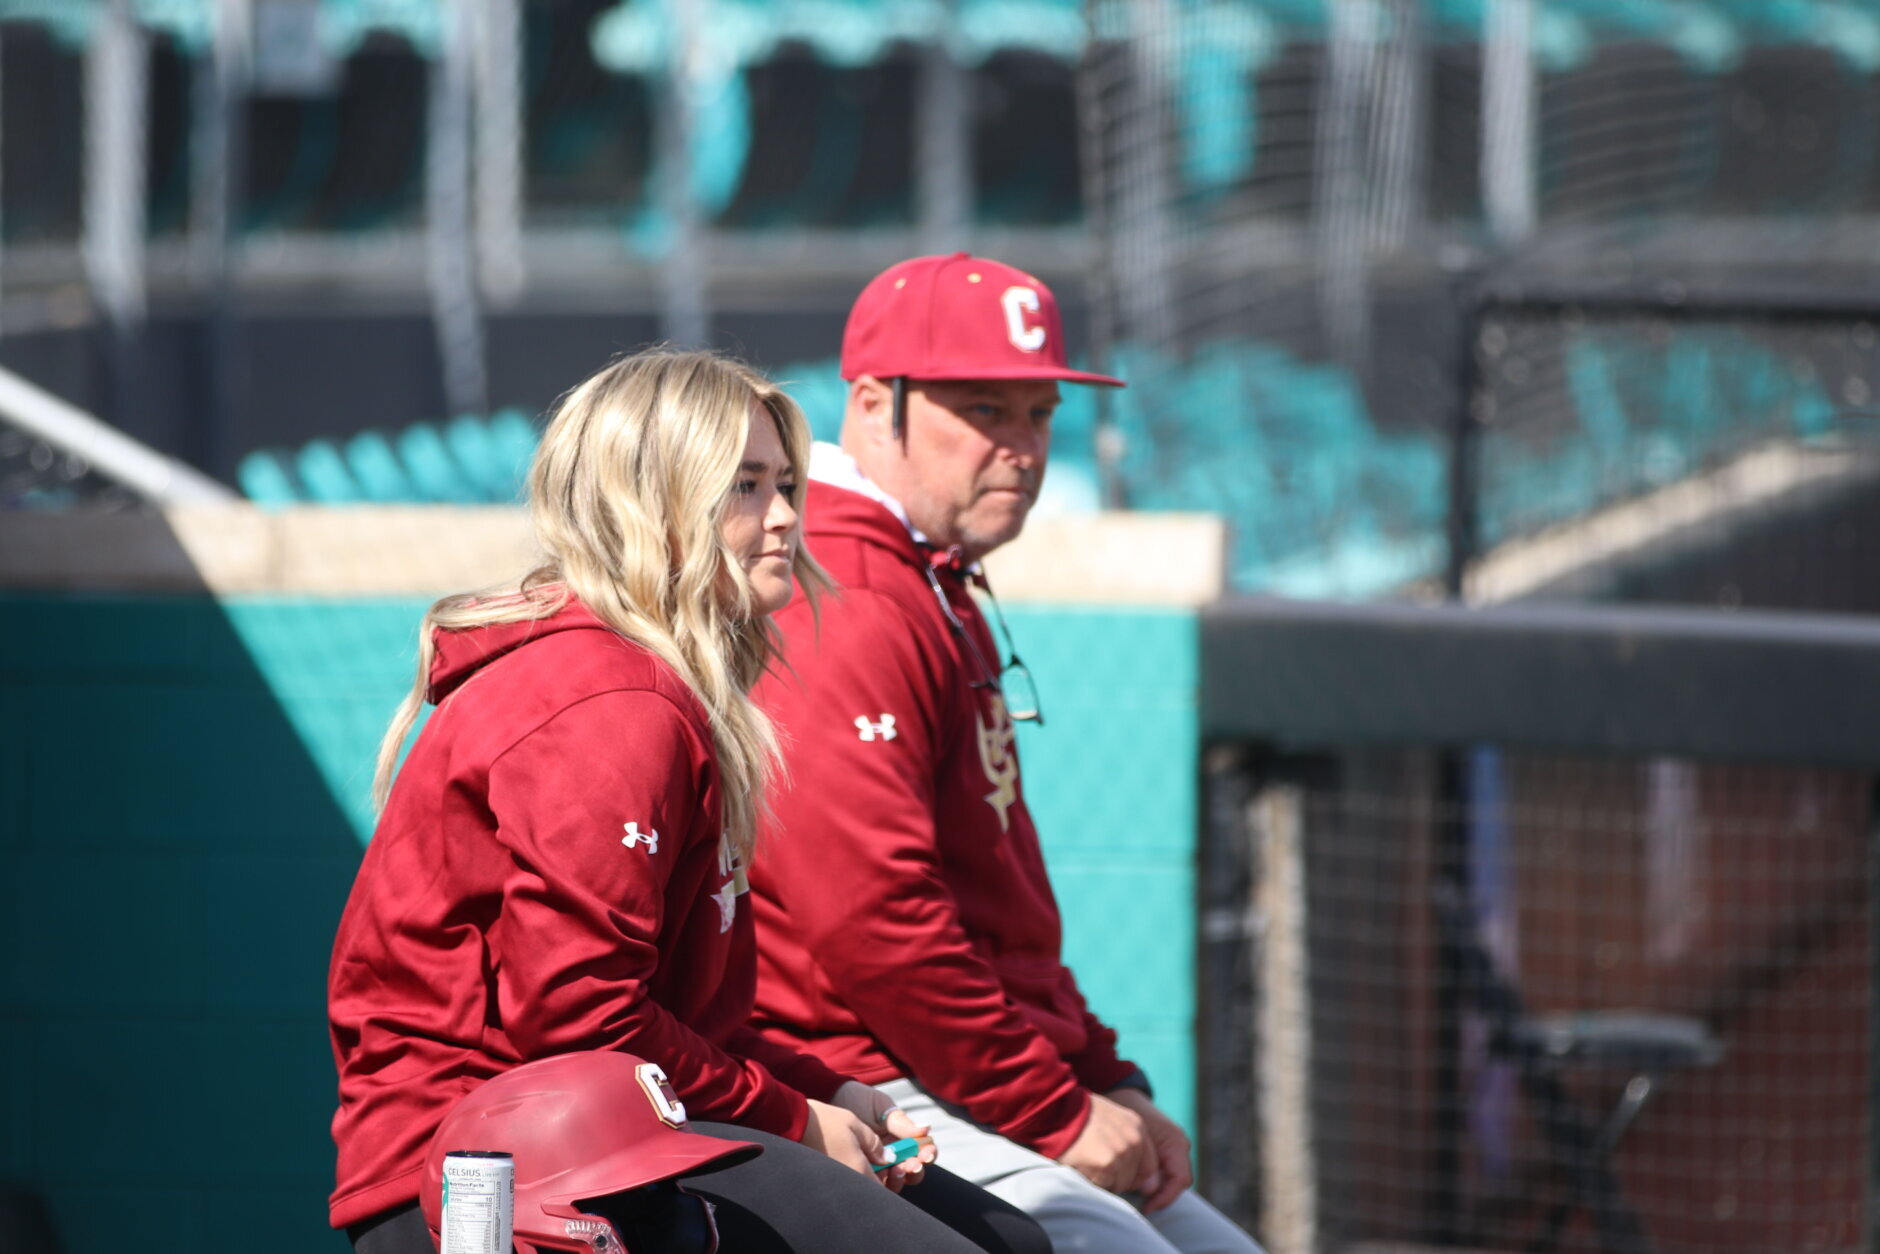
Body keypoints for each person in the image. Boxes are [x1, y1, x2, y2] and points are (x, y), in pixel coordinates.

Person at [326, 348, 1049, 1254]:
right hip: (486, 1168)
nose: (786, 515)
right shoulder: (609, 698)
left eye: (786, 482)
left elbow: (674, 1022)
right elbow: (577, 1020)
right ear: (652, 502)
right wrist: (796, 1117)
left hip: (599, 1127)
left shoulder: (644, 682)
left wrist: (824, 1091)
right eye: (745, 486)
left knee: (1014, 1240)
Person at [749, 254, 1267, 1254]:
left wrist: (1105, 1076)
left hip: (965, 1076)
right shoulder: (842, 592)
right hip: (863, 1081)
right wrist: (1059, 1112)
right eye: (983, 410)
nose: (1021, 448)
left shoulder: (930, 575)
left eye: (1036, 415)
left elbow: (1003, 911)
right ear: (871, 405)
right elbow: (874, 924)